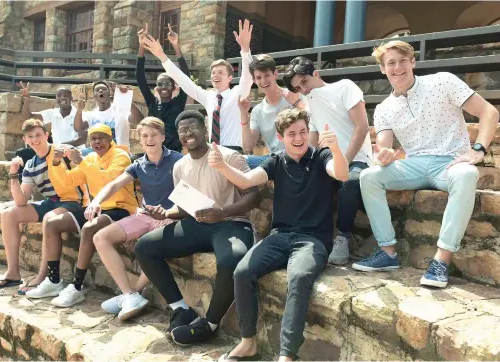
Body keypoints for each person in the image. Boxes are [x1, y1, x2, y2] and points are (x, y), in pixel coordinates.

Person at [353, 40, 499, 288]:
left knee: (466, 175)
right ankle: (387, 253)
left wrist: (478, 149)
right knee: (369, 177)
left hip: (450, 162)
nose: (397, 67)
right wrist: (384, 155)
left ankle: (441, 261)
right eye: (391, 63)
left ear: (413, 62)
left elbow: (489, 112)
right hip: (414, 165)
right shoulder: (384, 108)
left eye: (402, 61)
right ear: (382, 68)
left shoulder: (442, 81)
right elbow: (384, 146)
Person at [207, 108, 349, 362]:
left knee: (299, 277)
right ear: (282, 137)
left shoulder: (322, 156)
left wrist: (337, 150)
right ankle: (248, 341)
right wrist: (220, 167)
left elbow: (341, 174)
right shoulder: (276, 160)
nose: (299, 137)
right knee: (241, 272)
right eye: (292, 133)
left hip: (313, 240)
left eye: (303, 132)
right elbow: (247, 180)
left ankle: (286, 355)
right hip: (280, 235)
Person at [134, 110, 261, 345]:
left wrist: (223, 212)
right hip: (197, 224)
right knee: (144, 246)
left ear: (205, 130)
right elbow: (183, 208)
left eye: (192, 127)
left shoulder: (229, 157)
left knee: (231, 260)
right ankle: (181, 309)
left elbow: (254, 197)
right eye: (182, 130)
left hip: (231, 224)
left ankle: (209, 324)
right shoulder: (180, 166)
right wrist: (166, 212)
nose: (187, 133)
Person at [25, 124, 138, 307]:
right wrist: (55, 163)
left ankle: (76, 287)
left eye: (101, 138)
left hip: (121, 208)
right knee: (52, 224)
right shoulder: (91, 157)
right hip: (96, 208)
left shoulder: (121, 156)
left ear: (111, 139)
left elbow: (109, 181)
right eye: (93, 139)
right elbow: (67, 183)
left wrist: (81, 162)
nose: (97, 142)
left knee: (89, 228)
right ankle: (53, 281)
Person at [84, 117, 183, 321]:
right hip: (145, 215)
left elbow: (188, 190)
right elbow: (114, 184)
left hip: (170, 217)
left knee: (152, 246)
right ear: (140, 139)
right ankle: (129, 294)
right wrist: (96, 201)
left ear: (163, 137)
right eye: (145, 136)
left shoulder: (179, 160)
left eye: (154, 135)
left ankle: (134, 294)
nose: (149, 139)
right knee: (100, 238)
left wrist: (171, 214)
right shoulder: (138, 164)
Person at [283, 56, 373, 266]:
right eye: (298, 87)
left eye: (304, 82)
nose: (303, 89)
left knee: (348, 182)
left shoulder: (344, 87)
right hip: (328, 161)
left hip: (357, 159)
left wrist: (345, 161)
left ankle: (343, 237)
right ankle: (298, 235)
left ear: (316, 73)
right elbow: (312, 140)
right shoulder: (310, 104)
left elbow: (362, 127)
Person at [0, 119, 87, 294]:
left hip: (74, 202)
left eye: (38, 135)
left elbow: (86, 168)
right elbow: (21, 201)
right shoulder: (31, 165)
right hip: (52, 203)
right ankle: (13, 273)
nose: (34, 139)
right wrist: (13, 174)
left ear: (46, 135)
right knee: (9, 214)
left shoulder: (61, 151)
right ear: (25, 140)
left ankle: (42, 276)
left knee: (49, 218)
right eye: (30, 136)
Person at [141, 20, 254, 152]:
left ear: (230, 78)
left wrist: (245, 50)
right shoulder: (209, 97)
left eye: (220, 72)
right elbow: (184, 81)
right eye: (213, 73)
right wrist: (162, 56)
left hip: (235, 151)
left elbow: (247, 77)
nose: (215, 75)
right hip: (214, 152)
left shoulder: (237, 93)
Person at [240, 54, 303, 169]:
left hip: (299, 156)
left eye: (267, 75)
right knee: (238, 161)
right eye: (258, 78)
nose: (263, 81)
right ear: (254, 80)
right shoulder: (257, 111)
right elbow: (248, 147)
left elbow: (313, 122)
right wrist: (244, 114)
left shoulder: (294, 96)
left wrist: (297, 103)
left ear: (275, 74)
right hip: (275, 160)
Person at [136, 23, 189, 153]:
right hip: (154, 151)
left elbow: (186, 76)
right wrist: (142, 46)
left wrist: (176, 46)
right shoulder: (152, 103)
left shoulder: (179, 102)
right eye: (160, 84)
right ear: (156, 88)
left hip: (174, 153)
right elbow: (140, 77)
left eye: (167, 83)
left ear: (173, 87)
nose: (163, 87)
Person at [17, 83, 86, 181]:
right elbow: (28, 117)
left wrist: (61, 146)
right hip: (56, 152)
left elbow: (82, 140)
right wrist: (27, 99)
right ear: (56, 98)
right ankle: (25, 189)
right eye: (59, 95)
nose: (62, 98)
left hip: (74, 152)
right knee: (22, 154)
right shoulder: (53, 113)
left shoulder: (79, 113)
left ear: (71, 98)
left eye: (65, 95)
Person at [73, 81, 144, 154]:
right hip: (100, 157)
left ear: (109, 93)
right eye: (97, 90)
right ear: (94, 96)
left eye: (103, 89)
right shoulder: (91, 115)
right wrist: (79, 110)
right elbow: (78, 128)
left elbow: (139, 119)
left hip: (120, 155)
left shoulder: (120, 109)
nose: (100, 91)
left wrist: (126, 98)